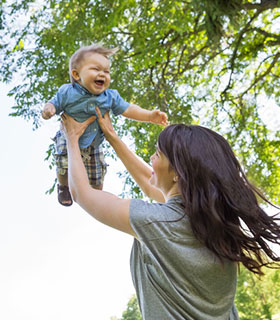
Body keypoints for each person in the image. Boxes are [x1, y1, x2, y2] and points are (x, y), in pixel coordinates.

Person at [60, 108, 280, 320]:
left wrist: (71, 137)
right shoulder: (217, 228)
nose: (151, 158)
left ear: (177, 172)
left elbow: (81, 193)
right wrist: (112, 137)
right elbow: (150, 183)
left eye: (157, 154)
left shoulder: (156, 224)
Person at [42, 43, 168, 206]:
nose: (103, 74)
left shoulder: (110, 96)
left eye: (106, 71)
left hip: (93, 145)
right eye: (96, 69)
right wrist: (48, 110)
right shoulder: (67, 92)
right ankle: (63, 186)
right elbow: (54, 103)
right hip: (67, 140)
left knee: (98, 174)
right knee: (62, 163)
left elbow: (129, 109)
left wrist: (149, 116)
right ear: (77, 74)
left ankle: (95, 193)